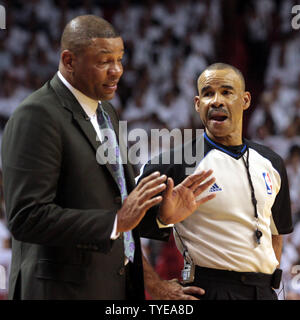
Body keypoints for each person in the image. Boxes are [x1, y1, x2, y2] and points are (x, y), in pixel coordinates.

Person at [0, 15, 214, 300]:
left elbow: (120, 209)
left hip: (114, 287)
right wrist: (115, 221)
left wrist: (162, 217)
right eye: (104, 62)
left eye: (120, 59)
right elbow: (26, 217)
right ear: (69, 60)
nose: (117, 71)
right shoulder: (37, 115)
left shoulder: (106, 113)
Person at [138, 63, 294, 300]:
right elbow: (120, 232)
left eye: (227, 92)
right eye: (208, 93)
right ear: (198, 104)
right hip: (208, 290)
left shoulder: (272, 162)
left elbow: (276, 233)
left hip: (264, 291)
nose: (217, 101)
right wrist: (156, 286)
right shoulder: (174, 164)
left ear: (245, 100)